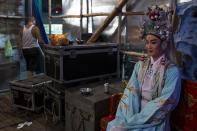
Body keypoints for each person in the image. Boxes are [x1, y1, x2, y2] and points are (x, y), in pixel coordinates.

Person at [107, 5, 181, 131]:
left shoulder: (172, 71)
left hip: (154, 119)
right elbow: (131, 93)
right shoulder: (140, 65)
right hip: (134, 113)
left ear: (163, 43)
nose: (148, 46)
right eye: (147, 42)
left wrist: (136, 121)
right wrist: (129, 119)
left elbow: (164, 103)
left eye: (153, 42)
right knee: (115, 127)